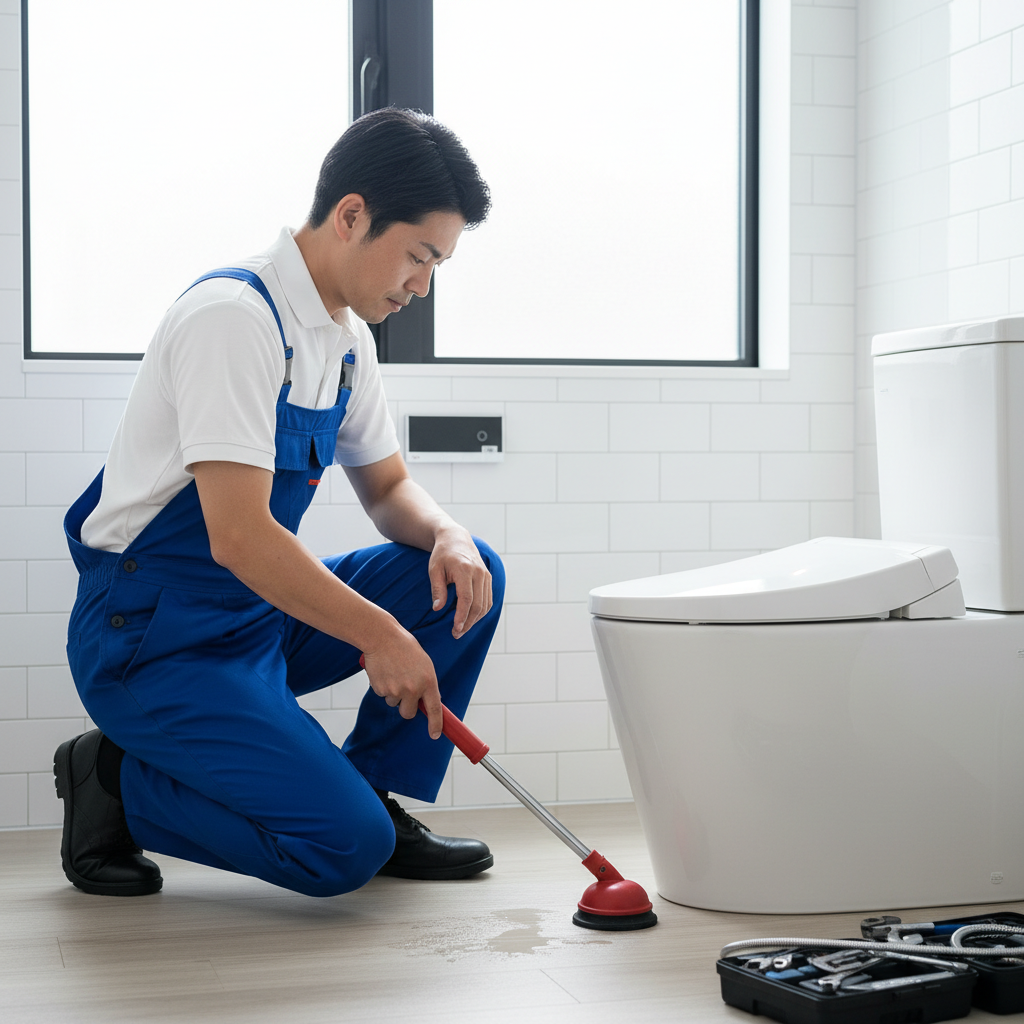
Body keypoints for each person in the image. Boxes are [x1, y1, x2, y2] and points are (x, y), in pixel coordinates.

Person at [54, 107, 505, 899]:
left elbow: (391, 489)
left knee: (462, 574)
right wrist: (379, 634)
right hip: (154, 636)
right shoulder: (235, 319)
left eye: (438, 267)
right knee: (339, 854)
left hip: (252, 617)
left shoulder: (345, 339)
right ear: (352, 215)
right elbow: (237, 537)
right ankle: (114, 781)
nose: (422, 287)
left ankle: (372, 791)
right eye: (418, 257)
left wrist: (450, 533)